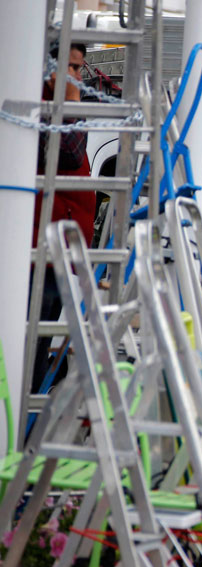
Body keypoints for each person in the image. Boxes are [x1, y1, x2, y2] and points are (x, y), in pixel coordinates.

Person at [30, 42, 96, 393]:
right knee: (32, 344)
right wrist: (71, 100)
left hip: (59, 249)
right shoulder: (41, 104)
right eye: (70, 67)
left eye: (79, 69)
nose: (76, 77)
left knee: (41, 345)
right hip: (41, 251)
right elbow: (68, 152)